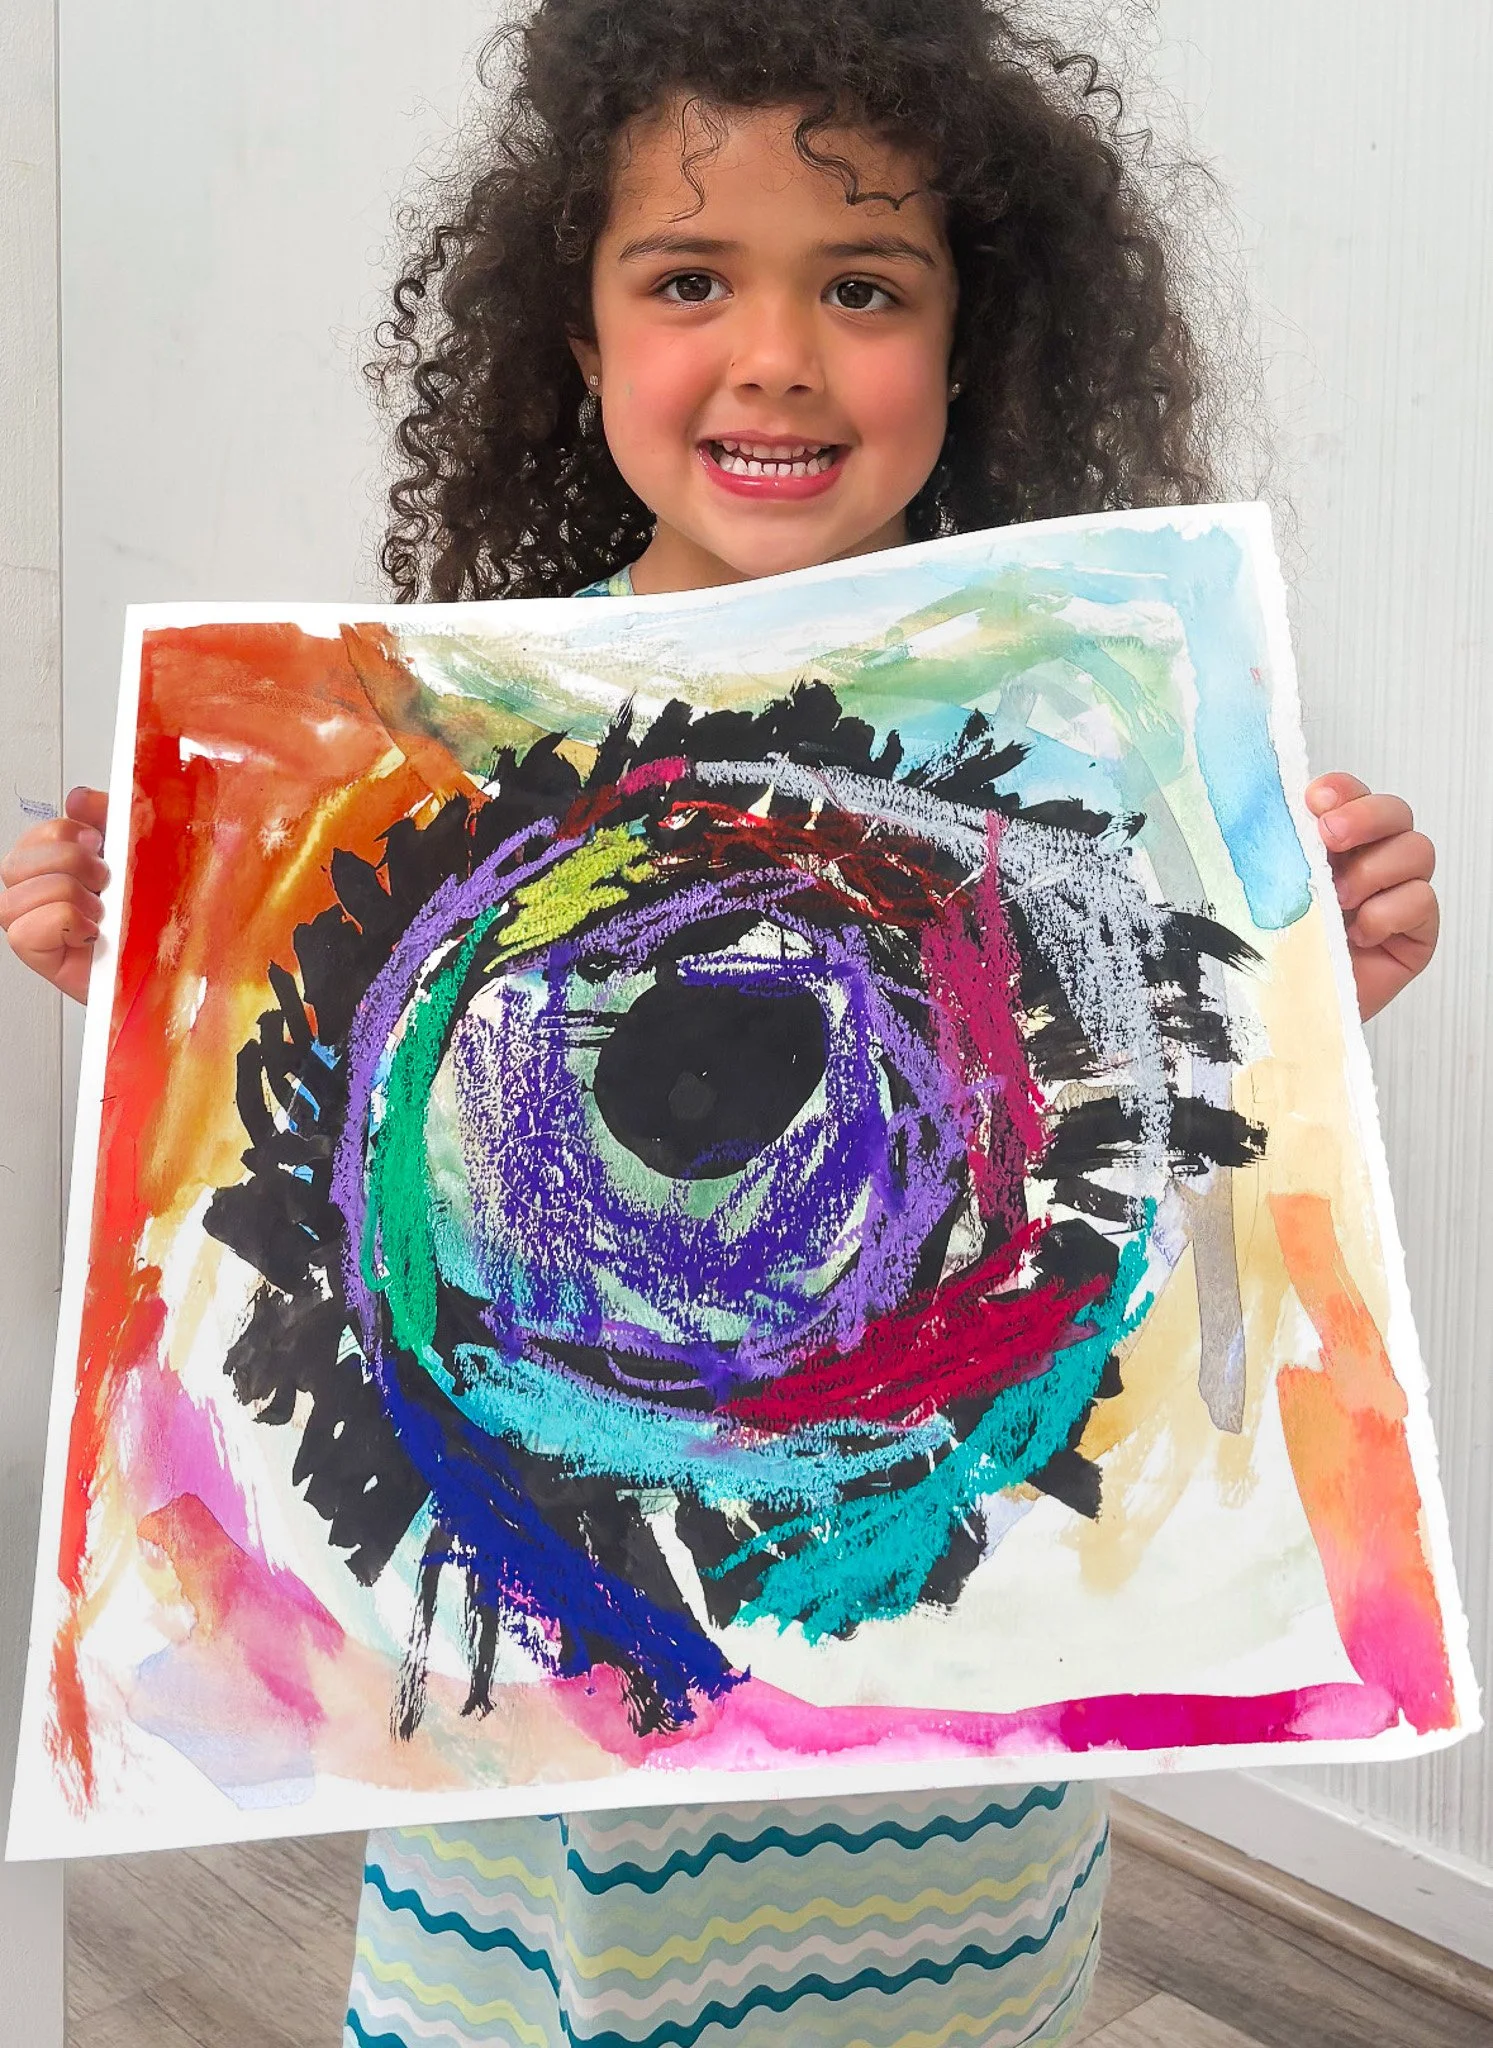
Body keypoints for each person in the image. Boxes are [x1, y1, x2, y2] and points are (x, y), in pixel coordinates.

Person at [0, 2, 1441, 2042]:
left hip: (945, 1798)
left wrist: (1309, 989)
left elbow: (1165, 1176)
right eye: (690, 281)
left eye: (860, 287)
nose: (772, 354)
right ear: (580, 343)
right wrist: (153, 970)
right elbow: (292, 1163)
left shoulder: (1058, 753)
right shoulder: (455, 747)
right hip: (533, 1792)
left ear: (966, 345)